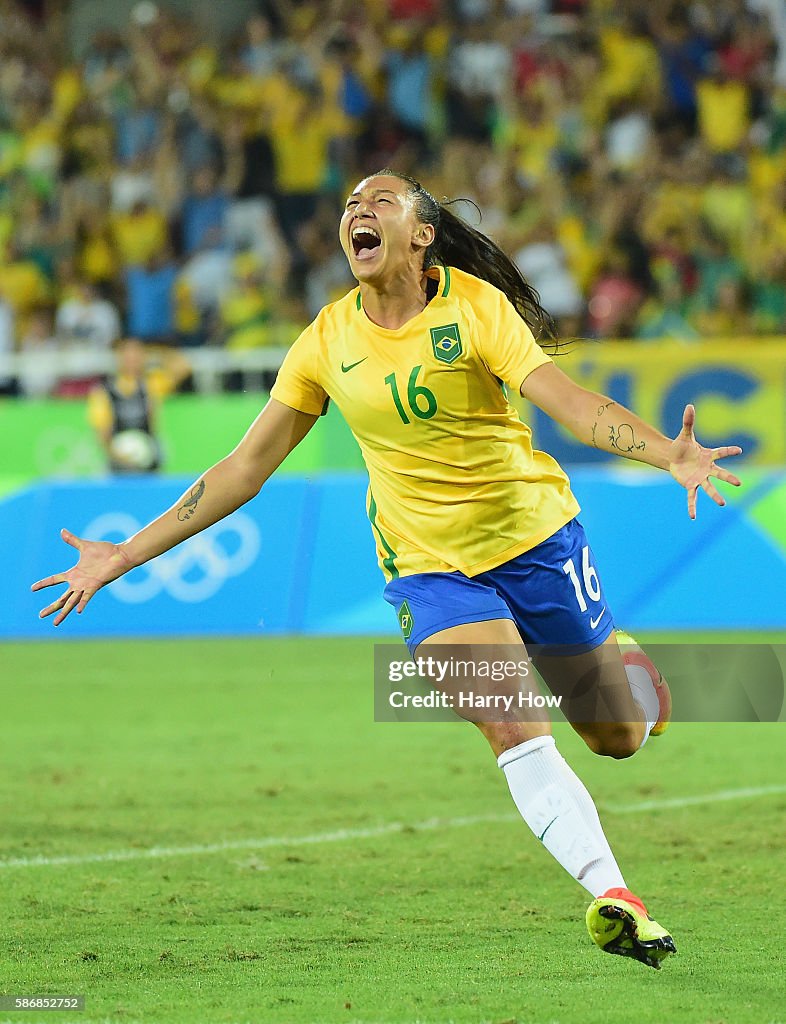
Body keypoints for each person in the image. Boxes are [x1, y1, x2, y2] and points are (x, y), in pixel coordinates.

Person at [32, 171, 742, 969]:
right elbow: (243, 468)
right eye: (348, 206)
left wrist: (666, 453)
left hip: (536, 541)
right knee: (510, 722)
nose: (357, 212)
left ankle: (632, 669)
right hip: (429, 570)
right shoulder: (327, 340)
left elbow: (570, 402)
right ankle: (618, 898)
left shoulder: (474, 309)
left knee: (616, 735)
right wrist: (125, 552)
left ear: (422, 234)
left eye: (379, 203)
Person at [87, 336, 190, 474]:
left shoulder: (152, 383)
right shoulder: (104, 392)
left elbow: (183, 367)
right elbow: (102, 434)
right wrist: (121, 457)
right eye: (127, 354)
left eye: (137, 353)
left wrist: (155, 352)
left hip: (150, 460)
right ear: (119, 357)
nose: (133, 359)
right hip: (118, 464)